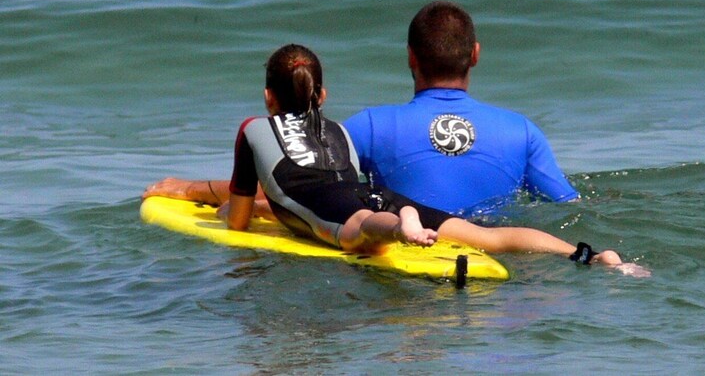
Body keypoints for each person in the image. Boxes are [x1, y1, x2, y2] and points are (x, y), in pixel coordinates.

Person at [144, 44, 648, 275]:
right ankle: (589, 256)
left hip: (357, 211)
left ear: (268, 98)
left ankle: (397, 226)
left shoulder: (253, 130)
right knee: (488, 238)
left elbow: (240, 219)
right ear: (322, 96)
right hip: (372, 192)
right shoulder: (338, 130)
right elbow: (298, 195)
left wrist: (200, 201)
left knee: (357, 232)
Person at [343, 0, 580, 215]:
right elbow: (569, 207)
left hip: (409, 251)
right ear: (475, 54)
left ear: (411, 56)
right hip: (491, 255)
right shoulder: (521, 132)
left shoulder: (369, 127)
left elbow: (317, 188)